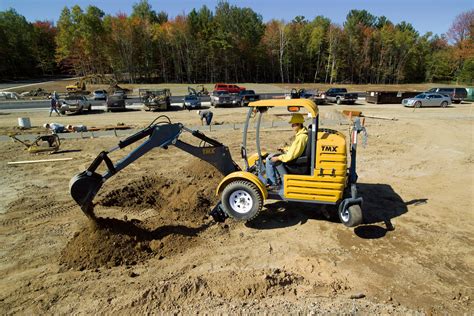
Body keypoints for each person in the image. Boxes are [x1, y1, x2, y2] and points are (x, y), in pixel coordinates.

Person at [265, 113, 308, 188]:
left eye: (293, 124)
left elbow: (291, 156)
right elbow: (294, 149)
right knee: (271, 156)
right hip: (297, 159)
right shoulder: (301, 135)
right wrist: (285, 149)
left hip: (296, 163)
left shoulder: (301, 137)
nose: (292, 126)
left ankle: (273, 184)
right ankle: (277, 180)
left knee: (269, 160)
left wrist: (278, 158)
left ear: (298, 124)